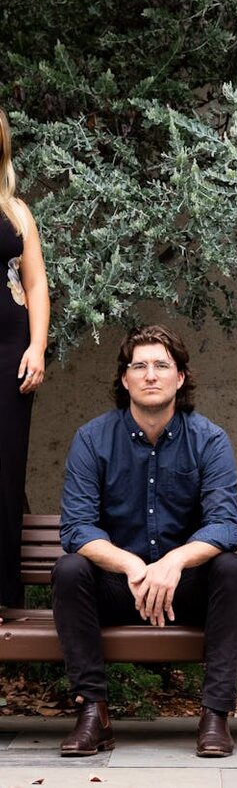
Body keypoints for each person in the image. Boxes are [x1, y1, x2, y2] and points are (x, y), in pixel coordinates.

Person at [52, 324, 237, 758]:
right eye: (138, 366)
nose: (150, 374)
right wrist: (131, 565)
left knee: (232, 569)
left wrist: (175, 562)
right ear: (124, 379)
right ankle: (94, 715)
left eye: (162, 365)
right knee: (69, 571)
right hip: (118, 586)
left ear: (180, 377)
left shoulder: (209, 440)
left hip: (186, 588)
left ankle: (215, 717)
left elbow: (225, 526)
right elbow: (77, 528)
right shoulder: (92, 439)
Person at [0, 107, 49, 610]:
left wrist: (36, 347)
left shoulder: (15, 209)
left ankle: (3, 592)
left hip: (9, 349)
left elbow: (35, 283)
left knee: (6, 466)